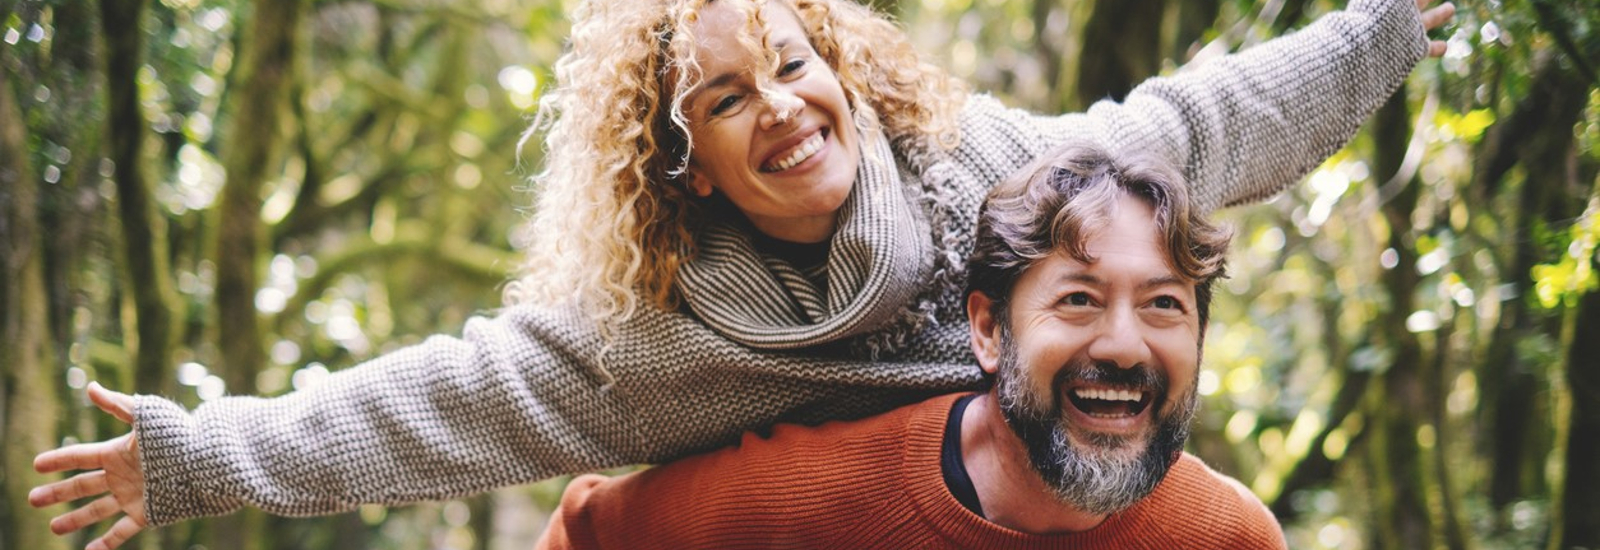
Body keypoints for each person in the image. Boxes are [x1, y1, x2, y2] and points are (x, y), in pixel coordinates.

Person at [30, 0, 1454, 548]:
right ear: (687, 165)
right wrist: (196, 453)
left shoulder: (981, 172)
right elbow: (438, 403)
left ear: (843, 71)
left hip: (1035, 483)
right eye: (724, 100)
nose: (780, 104)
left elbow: (1194, 127)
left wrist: (1390, 29)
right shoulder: (650, 337)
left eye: (794, 62)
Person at [537, 140, 1266, 549]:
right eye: (1077, 299)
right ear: (989, 329)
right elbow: (589, 538)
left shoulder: (1228, 538)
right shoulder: (809, 498)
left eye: (1164, 305)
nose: (1124, 345)